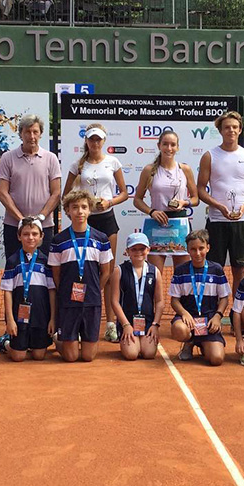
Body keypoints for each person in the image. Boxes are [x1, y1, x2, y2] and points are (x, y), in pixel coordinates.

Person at [63, 123, 129, 343]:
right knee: (82, 271)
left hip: (107, 221)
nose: (95, 143)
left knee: (107, 271)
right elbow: (66, 196)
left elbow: (124, 194)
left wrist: (109, 201)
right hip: (84, 224)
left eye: (98, 139)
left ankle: (110, 323)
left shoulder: (113, 162)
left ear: (104, 141)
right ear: (86, 141)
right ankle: (78, 317)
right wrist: (83, 208)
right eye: (91, 139)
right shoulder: (77, 165)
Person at [48, 189, 114, 362]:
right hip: (68, 301)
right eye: (75, 207)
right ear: (68, 211)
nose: (80, 211)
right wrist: (65, 291)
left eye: (84, 207)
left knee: (88, 357)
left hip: (92, 300)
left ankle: (73, 338)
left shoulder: (101, 238)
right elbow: (56, 273)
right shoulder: (58, 240)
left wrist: (94, 289)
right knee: (70, 357)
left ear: (90, 210)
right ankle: (59, 339)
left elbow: (106, 271)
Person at [197, 110, 244, 286]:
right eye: (227, 127)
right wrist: (218, 206)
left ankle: (236, 313)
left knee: (239, 270)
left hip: (241, 221)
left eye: (234, 127)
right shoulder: (209, 156)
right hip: (216, 222)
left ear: (240, 130)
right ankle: (213, 311)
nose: (231, 130)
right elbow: (200, 189)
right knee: (214, 268)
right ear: (221, 130)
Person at [133, 130, 200, 271]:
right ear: (159, 146)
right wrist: (152, 212)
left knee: (183, 274)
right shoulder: (149, 170)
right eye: (165, 144)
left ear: (177, 147)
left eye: (173, 145)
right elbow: (137, 200)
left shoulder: (185, 169)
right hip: (157, 222)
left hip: (180, 223)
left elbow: (196, 199)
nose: (169, 148)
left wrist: (184, 203)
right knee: (155, 274)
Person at [0, 114, 61, 259]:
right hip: (14, 226)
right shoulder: (7, 158)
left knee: (44, 269)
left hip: (44, 226)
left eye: (35, 132)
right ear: (20, 133)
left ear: (41, 134)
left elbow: (56, 193)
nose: (31, 136)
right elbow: (2, 193)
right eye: (27, 132)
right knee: (15, 267)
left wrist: (40, 217)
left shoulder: (51, 158)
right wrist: (21, 221)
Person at [169, 229, 231, 366]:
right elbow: (174, 300)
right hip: (188, 319)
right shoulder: (180, 270)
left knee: (217, 359)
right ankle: (189, 342)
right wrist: (184, 313)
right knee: (179, 329)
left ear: (208, 248)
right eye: (193, 249)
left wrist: (218, 316)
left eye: (201, 248)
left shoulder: (217, 270)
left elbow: (224, 298)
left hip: (209, 320)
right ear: (188, 250)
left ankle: (203, 342)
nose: (197, 253)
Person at [0, 217, 56, 361]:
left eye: (34, 234)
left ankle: (31, 343)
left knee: (39, 356)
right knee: (18, 357)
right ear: (19, 236)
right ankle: (5, 343)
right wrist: (10, 320)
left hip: (41, 316)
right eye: (26, 234)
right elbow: (7, 291)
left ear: (42, 236)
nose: (30, 237)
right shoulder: (12, 261)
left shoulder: (47, 261)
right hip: (19, 316)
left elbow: (52, 291)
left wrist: (52, 319)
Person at [109, 233, 164, 361]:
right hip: (127, 322)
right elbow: (114, 301)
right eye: (134, 249)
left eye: (142, 249)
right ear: (127, 251)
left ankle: (141, 341)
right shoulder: (119, 271)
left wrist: (155, 325)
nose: (138, 252)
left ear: (148, 250)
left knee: (149, 354)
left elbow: (160, 301)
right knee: (131, 354)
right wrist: (126, 325)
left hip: (148, 323)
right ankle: (128, 339)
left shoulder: (155, 271)